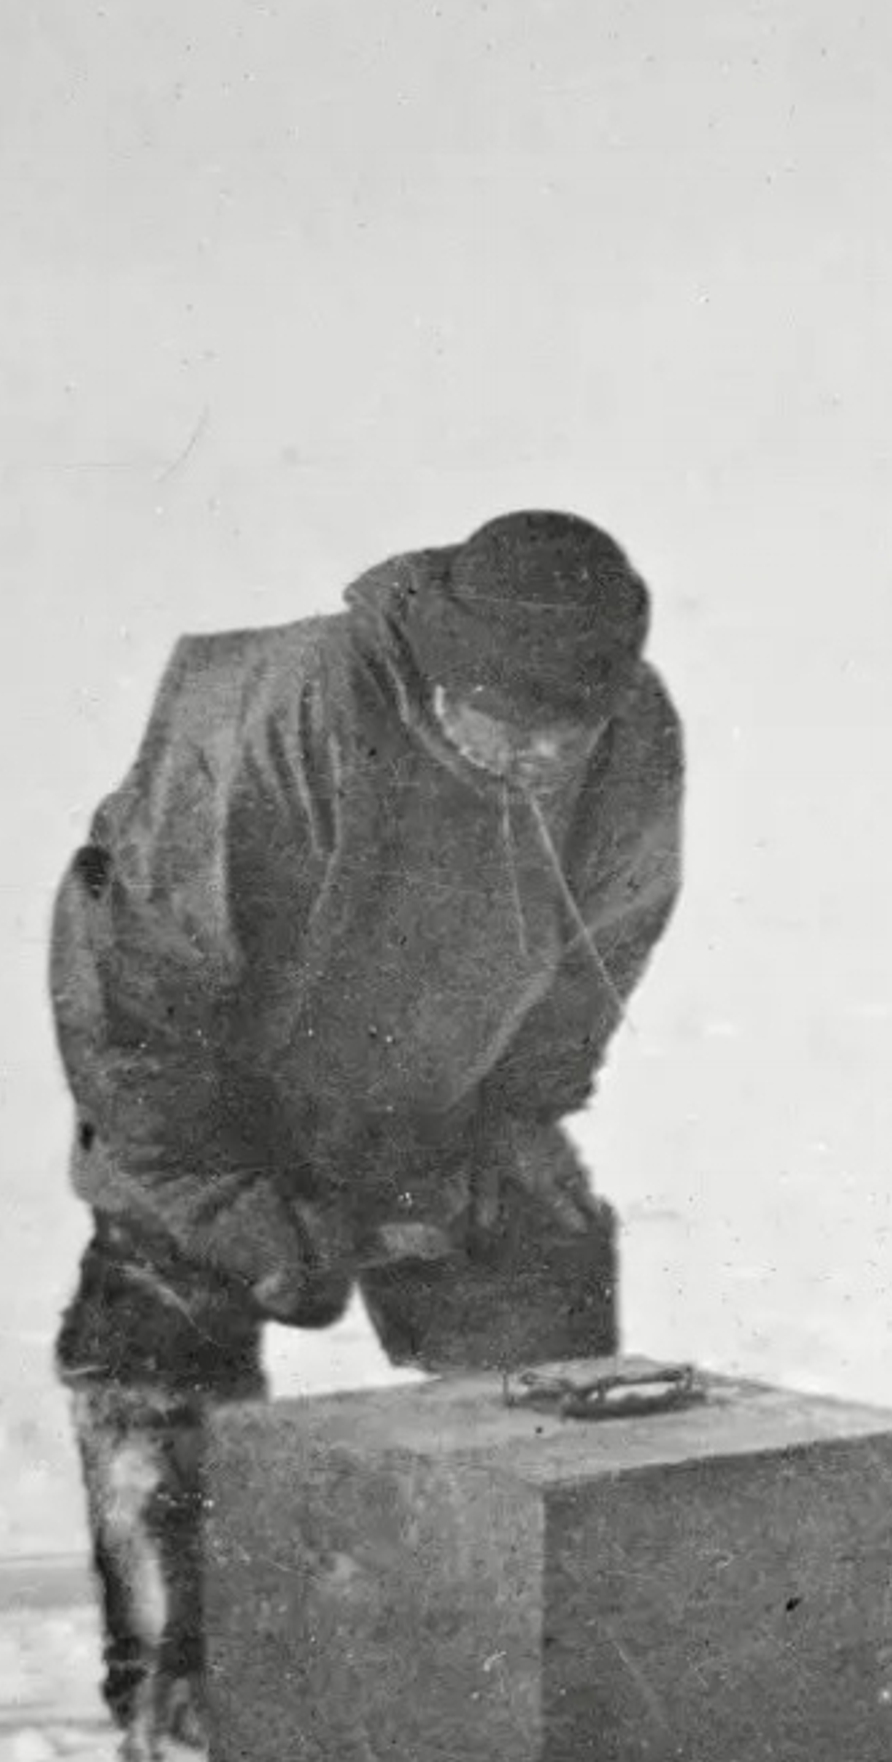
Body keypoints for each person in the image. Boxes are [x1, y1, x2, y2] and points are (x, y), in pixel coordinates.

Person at [46, 509, 685, 1757]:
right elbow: (135, 984)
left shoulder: (630, 733)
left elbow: (600, 950)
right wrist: (219, 1200)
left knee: (543, 1308)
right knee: (157, 1344)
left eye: (567, 735)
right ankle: (182, 1693)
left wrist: (518, 1124)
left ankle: (513, 1657)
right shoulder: (285, 717)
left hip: (433, 1088)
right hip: (209, 1095)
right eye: (505, 724)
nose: (534, 760)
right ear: (443, 669)